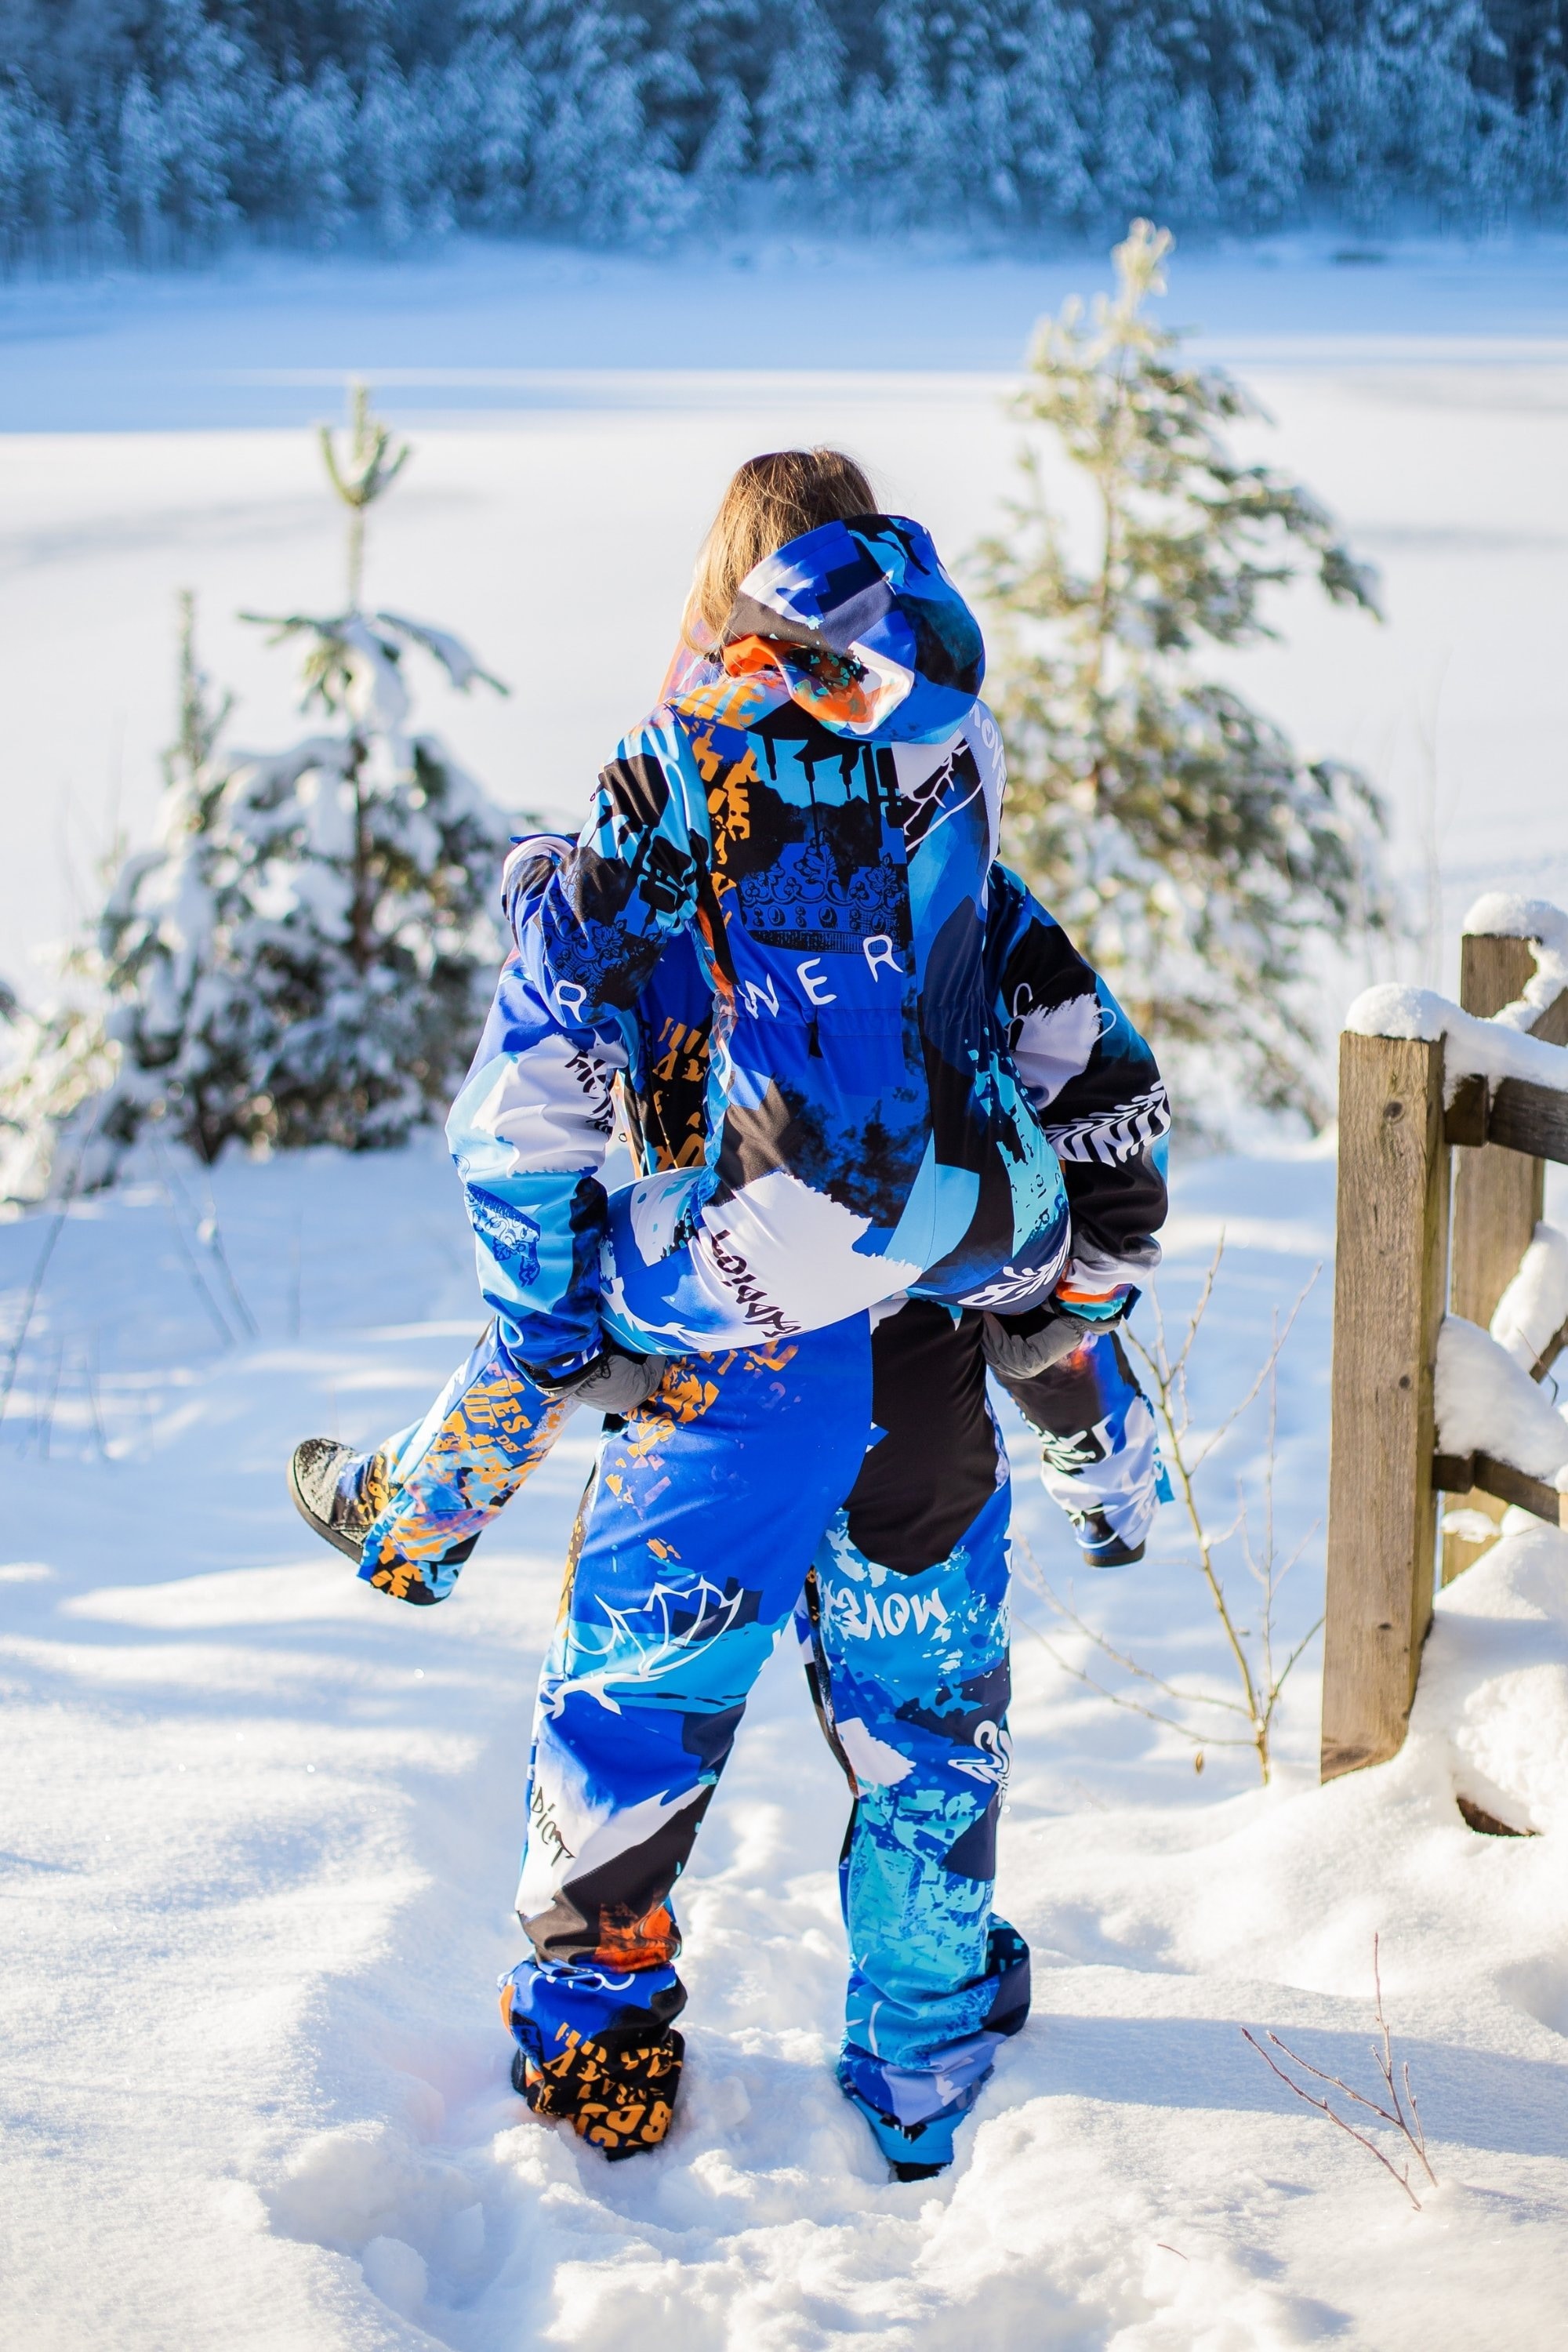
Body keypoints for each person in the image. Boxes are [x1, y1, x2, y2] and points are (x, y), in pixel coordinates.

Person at [290, 451, 1169, 2177]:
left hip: (714, 1361)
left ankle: (601, 2059)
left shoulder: (663, 811)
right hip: (921, 1352)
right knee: (930, 1714)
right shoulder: (941, 811)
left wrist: (554, 1330)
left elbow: (526, 1106)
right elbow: (1085, 1081)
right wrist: (1066, 1347)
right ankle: (922, 2054)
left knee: (635, 1705)